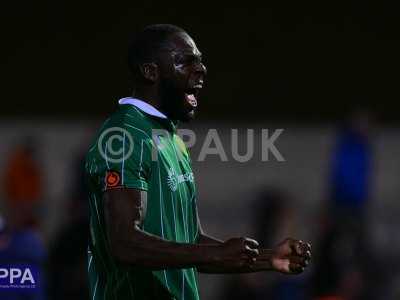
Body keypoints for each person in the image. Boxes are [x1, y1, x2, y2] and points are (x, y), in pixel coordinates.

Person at [84, 24, 312, 300]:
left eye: (200, 61)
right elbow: (124, 243)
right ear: (150, 71)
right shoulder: (123, 135)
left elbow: (190, 242)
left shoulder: (172, 138)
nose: (201, 69)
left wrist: (268, 258)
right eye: (186, 61)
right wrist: (215, 253)